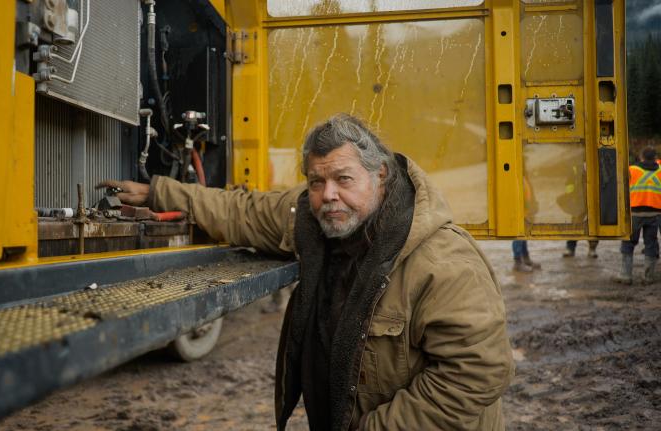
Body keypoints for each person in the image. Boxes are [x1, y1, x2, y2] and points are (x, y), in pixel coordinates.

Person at [98, 114, 514, 430]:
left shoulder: (443, 262)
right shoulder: (314, 219)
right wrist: (160, 191)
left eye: (343, 179)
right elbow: (242, 211)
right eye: (317, 181)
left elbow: (476, 373)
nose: (328, 194)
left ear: (380, 175)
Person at [614, 146, 661, 285]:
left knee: (628, 243)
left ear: (641, 157)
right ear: (655, 157)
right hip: (654, 214)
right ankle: (648, 277)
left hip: (634, 213)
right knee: (651, 244)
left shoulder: (632, 170)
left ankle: (625, 275)